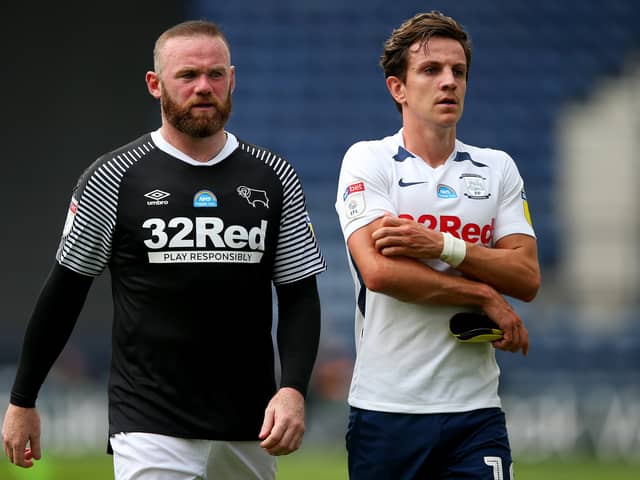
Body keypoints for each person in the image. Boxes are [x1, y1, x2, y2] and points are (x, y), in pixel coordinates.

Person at [2, 19, 326, 480]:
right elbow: (66, 290)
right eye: (188, 76)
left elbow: (298, 294)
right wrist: (23, 399)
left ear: (232, 79)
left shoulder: (273, 175)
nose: (204, 87)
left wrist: (293, 389)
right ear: (156, 85)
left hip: (250, 423)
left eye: (216, 75)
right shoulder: (113, 177)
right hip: (150, 422)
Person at [335, 11, 540, 480]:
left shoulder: (497, 169)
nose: (448, 82)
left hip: (475, 410)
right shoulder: (369, 160)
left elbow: (526, 278)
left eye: (458, 71)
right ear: (398, 88)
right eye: (431, 70)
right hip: (386, 408)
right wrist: (483, 293)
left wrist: (443, 245)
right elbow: (381, 273)